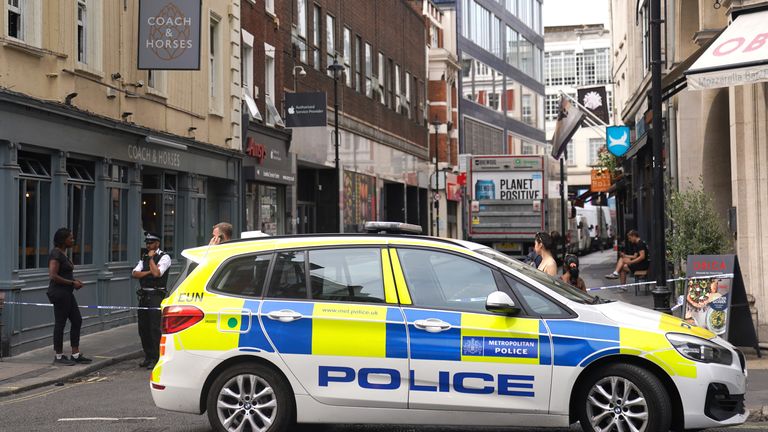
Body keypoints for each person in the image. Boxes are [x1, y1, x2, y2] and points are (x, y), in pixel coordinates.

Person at [47, 228, 92, 366]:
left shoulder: (62, 253)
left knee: (77, 320)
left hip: (67, 292)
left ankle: (75, 354)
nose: (73, 240)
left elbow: (64, 274)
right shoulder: (56, 254)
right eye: (70, 238)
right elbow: (53, 276)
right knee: (60, 323)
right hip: (59, 293)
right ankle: (59, 357)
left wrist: (74, 282)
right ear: (63, 240)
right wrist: (73, 282)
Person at [132, 233, 172, 370]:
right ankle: (148, 356)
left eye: (151, 243)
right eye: (147, 243)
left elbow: (157, 273)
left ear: (157, 243)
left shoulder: (165, 257)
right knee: (143, 328)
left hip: (156, 295)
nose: (148, 245)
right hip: (144, 295)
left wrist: (150, 261)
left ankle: (157, 357)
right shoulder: (143, 258)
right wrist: (148, 270)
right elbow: (135, 274)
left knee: (155, 328)